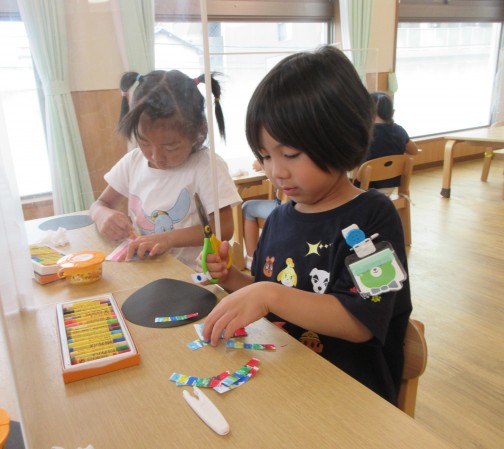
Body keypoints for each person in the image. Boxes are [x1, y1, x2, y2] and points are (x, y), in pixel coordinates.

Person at [201, 46, 412, 406]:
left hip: (352, 397)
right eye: (265, 156)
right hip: (286, 379)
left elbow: (361, 322)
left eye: (290, 154)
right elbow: (272, 291)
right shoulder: (279, 218)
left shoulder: (374, 217)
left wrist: (266, 295)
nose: (276, 171)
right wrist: (232, 279)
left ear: (341, 137)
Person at [89, 70, 242, 270]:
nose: (156, 156)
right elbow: (100, 203)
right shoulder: (133, 162)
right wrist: (101, 215)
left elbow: (225, 228)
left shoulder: (206, 167)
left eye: (170, 147)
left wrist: (168, 239)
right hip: (146, 271)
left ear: (199, 132)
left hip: (193, 277)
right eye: (144, 142)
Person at [361, 91, 419, 194]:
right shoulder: (399, 130)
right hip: (390, 186)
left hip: (365, 189)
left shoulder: (365, 132)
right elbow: (414, 151)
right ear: (392, 112)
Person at [242, 160, 281, 270]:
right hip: (285, 205)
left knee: (247, 208)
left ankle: (251, 259)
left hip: (283, 206)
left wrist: (263, 165)